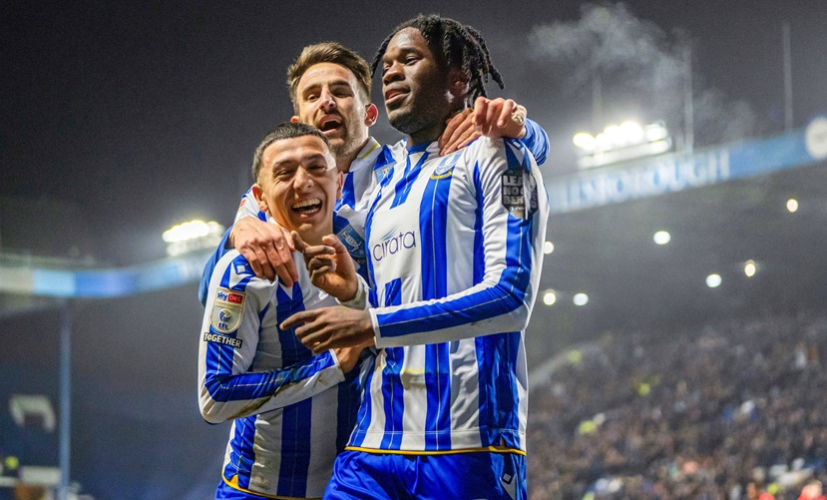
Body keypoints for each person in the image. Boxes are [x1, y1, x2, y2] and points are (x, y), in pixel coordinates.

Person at [281, 15, 550, 500]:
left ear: (458, 81)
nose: (390, 72)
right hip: (373, 442)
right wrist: (355, 293)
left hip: (466, 441)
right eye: (386, 65)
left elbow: (512, 298)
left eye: (409, 59)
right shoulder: (384, 181)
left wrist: (525, 129)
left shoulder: (500, 155)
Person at [198, 42, 549, 303]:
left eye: (340, 92)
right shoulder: (272, 196)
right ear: (298, 124)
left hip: (396, 364)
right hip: (317, 369)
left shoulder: (409, 167)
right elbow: (209, 289)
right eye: (312, 96)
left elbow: (528, 153)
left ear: (369, 114)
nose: (327, 101)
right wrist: (234, 235)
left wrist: (517, 125)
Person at [198, 123, 368, 500]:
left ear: (339, 182)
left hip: (354, 486)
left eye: (316, 167)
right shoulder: (242, 269)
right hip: (258, 490)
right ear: (259, 198)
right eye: (285, 173)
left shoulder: (369, 244)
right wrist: (328, 367)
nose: (303, 183)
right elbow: (214, 396)